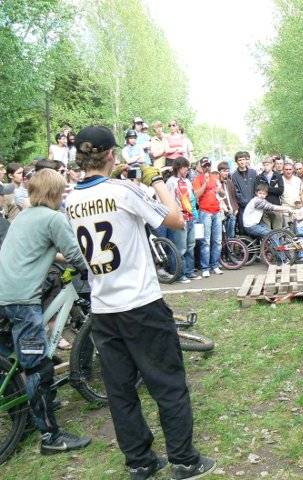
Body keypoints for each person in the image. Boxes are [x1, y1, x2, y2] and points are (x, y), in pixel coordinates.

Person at [67, 126, 215, 479]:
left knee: (120, 391)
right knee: (167, 382)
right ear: (110, 154)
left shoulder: (72, 199)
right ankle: (184, 460)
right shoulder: (123, 190)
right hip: (141, 303)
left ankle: (139, 461)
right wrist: (158, 180)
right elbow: (176, 221)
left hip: (104, 308)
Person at [0, 168, 91, 455]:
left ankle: (23, 420)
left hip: (4, 295)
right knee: (38, 368)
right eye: (62, 191)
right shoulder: (53, 218)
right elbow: (75, 254)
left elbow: (41, 249)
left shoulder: (24, 215)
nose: (64, 195)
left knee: (13, 363)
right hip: (21, 300)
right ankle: (51, 437)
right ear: (54, 192)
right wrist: (94, 271)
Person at [166, 157, 200, 283]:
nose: (187, 170)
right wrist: (177, 215)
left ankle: (189, 271)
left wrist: (194, 215)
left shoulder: (187, 181)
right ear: (179, 168)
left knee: (191, 245)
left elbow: (191, 199)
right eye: (186, 168)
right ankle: (179, 274)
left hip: (190, 216)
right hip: (179, 218)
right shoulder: (171, 182)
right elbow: (169, 202)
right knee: (180, 248)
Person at [193, 158, 223, 277]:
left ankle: (215, 265)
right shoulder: (197, 179)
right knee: (205, 241)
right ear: (201, 167)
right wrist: (205, 183)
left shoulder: (215, 178)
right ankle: (205, 267)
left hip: (216, 211)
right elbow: (196, 195)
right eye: (205, 165)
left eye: (208, 165)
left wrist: (220, 189)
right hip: (205, 212)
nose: (207, 167)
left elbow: (221, 193)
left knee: (217, 241)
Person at [231, 151, 257, 235]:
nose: (242, 162)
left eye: (243, 159)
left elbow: (256, 188)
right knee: (243, 228)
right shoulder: (234, 176)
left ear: (246, 160)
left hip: (254, 206)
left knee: (254, 227)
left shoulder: (253, 173)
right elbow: (236, 192)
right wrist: (245, 203)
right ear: (236, 162)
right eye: (240, 160)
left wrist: (253, 202)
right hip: (242, 207)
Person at [255, 156, 284, 229]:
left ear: (272, 164)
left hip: (276, 206)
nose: (266, 166)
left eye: (267, 164)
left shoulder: (278, 176)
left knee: (278, 230)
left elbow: (280, 191)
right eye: (264, 165)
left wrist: (266, 188)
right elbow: (258, 191)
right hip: (264, 207)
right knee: (266, 231)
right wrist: (273, 189)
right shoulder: (259, 177)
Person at [217, 161, 239, 238]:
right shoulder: (217, 183)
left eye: (227, 171)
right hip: (223, 212)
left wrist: (236, 208)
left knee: (231, 234)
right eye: (223, 171)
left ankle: (230, 243)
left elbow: (233, 196)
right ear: (219, 172)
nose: (226, 173)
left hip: (232, 211)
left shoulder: (229, 182)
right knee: (223, 235)